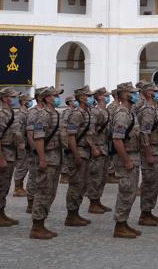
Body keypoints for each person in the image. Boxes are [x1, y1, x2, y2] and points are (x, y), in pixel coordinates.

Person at [29, 87, 64, 239]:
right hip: (47, 158)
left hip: (56, 157)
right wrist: (42, 158)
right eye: (55, 95)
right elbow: (39, 138)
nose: (57, 98)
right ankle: (36, 227)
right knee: (43, 191)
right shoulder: (43, 115)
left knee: (50, 192)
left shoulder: (55, 113)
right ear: (47, 98)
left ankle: (41, 223)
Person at [111, 82, 143, 239]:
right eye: (133, 92)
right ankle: (120, 226)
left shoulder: (130, 112)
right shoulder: (122, 114)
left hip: (133, 157)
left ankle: (123, 223)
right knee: (126, 192)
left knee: (130, 192)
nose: (136, 95)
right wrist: (126, 160)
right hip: (127, 159)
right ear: (124, 95)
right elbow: (117, 140)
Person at [0, 87, 22, 228]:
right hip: (3, 154)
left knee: (4, 186)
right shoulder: (1, 115)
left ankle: (0, 213)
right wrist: (0, 158)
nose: (15, 99)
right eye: (13, 96)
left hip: (10, 154)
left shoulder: (10, 113)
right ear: (4, 98)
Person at [64, 86, 95, 227]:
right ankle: (71, 215)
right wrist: (76, 154)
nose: (91, 97)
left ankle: (76, 213)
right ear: (82, 97)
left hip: (86, 152)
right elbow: (71, 136)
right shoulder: (77, 114)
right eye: (88, 95)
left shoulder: (86, 112)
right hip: (79, 152)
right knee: (76, 184)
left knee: (82, 184)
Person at [137, 82, 158, 227]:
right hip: (151, 149)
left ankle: (148, 212)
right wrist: (148, 154)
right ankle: (144, 214)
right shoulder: (147, 110)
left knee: (155, 182)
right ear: (148, 92)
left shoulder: (153, 108)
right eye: (155, 91)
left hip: (156, 148)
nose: (157, 93)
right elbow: (145, 133)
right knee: (149, 182)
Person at [86, 87, 113, 214]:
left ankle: (98, 201)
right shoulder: (95, 112)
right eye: (106, 95)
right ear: (100, 97)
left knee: (102, 177)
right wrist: (93, 148)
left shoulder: (106, 111)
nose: (108, 97)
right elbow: (89, 132)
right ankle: (92, 203)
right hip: (97, 147)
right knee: (95, 177)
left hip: (105, 147)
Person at [13, 91, 33, 197]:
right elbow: (18, 130)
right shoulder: (20, 114)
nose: (30, 102)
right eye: (28, 101)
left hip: (28, 143)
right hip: (23, 144)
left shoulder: (28, 113)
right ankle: (18, 188)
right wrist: (20, 143)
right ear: (23, 102)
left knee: (26, 165)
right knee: (22, 165)